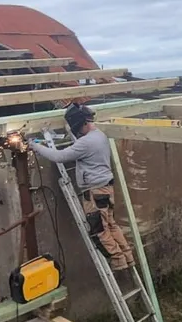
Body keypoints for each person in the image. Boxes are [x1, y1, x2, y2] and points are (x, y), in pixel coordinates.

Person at [28, 104, 137, 286]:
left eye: (78, 128)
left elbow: (58, 157)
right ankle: (127, 256)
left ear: (83, 123)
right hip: (106, 189)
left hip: (95, 192)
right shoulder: (99, 135)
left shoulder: (86, 143)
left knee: (99, 230)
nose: (77, 131)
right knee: (111, 225)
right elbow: (78, 144)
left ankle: (118, 261)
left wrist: (35, 146)